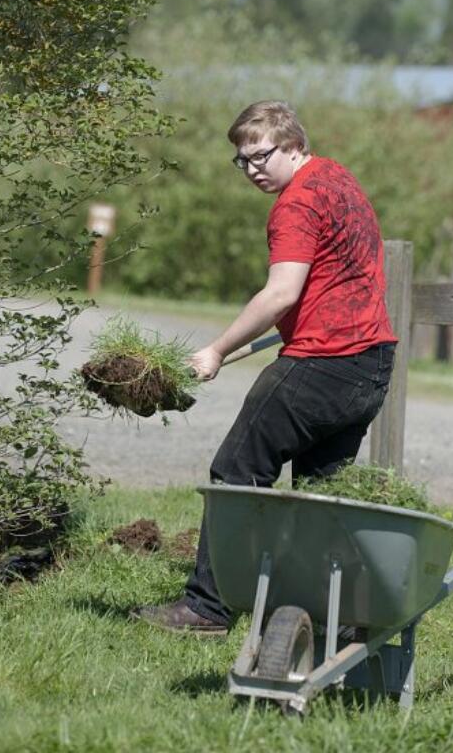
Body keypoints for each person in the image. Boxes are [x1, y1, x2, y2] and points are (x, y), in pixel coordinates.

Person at [133, 101, 396, 634]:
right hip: (371, 365)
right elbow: (335, 280)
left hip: (322, 365)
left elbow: (281, 293)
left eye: (261, 156)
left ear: (294, 146)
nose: (252, 169)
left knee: (235, 474)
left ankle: (206, 607)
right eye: (242, 160)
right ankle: (332, 618)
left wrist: (217, 350)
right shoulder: (337, 179)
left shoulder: (296, 204)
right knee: (322, 494)